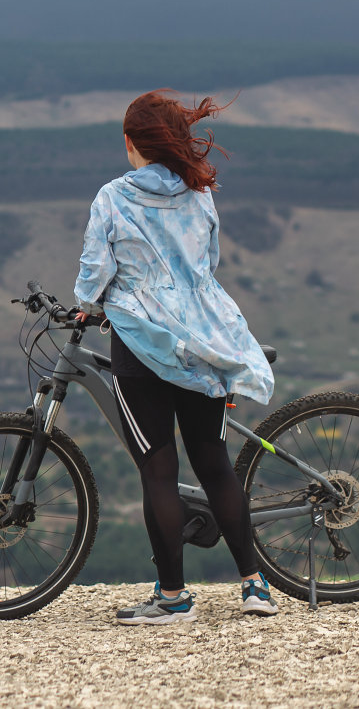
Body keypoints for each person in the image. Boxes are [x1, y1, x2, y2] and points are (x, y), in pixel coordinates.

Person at [72, 89, 278, 624]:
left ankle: (173, 598)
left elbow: (96, 269)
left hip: (141, 344)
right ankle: (255, 587)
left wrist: (86, 306)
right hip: (203, 339)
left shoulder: (113, 197)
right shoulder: (199, 193)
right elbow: (208, 262)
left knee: (159, 471)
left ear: (130, 142)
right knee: (213, 461)